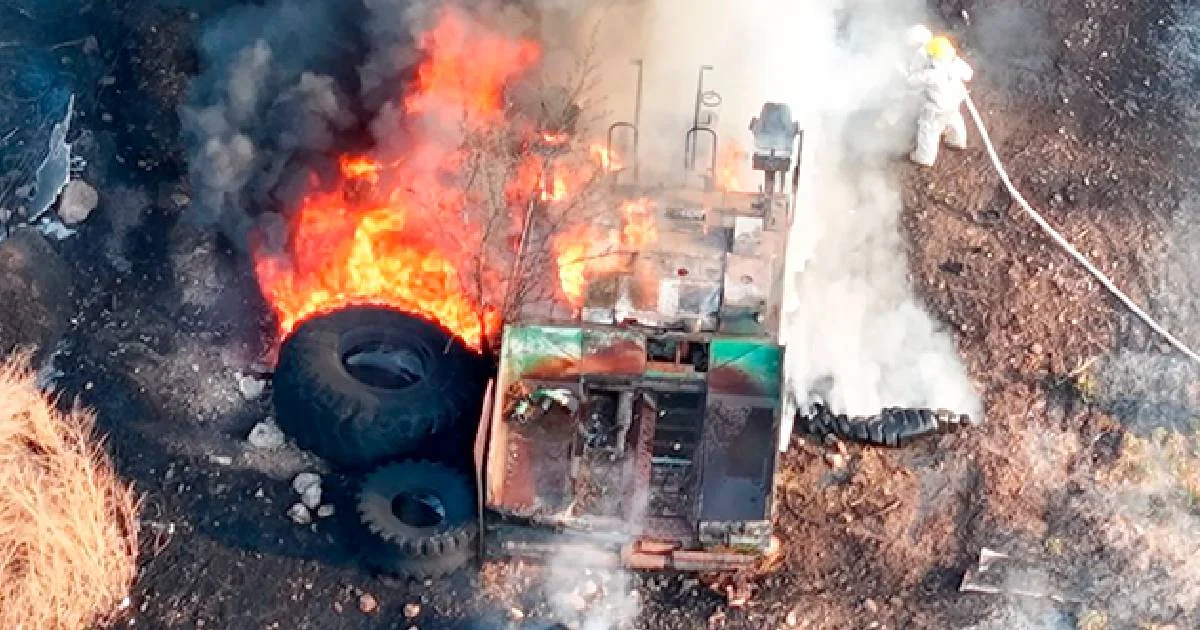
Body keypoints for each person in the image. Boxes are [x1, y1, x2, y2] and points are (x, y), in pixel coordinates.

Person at [908, 34, 974, 167]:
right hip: (954, 101)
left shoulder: (932, 74)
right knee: (954, 119)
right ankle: (957, 141)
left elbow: (912, 82)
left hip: (937, 107)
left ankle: (924, 158)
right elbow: (969, 74)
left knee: (928, 129)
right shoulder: (956, 64)